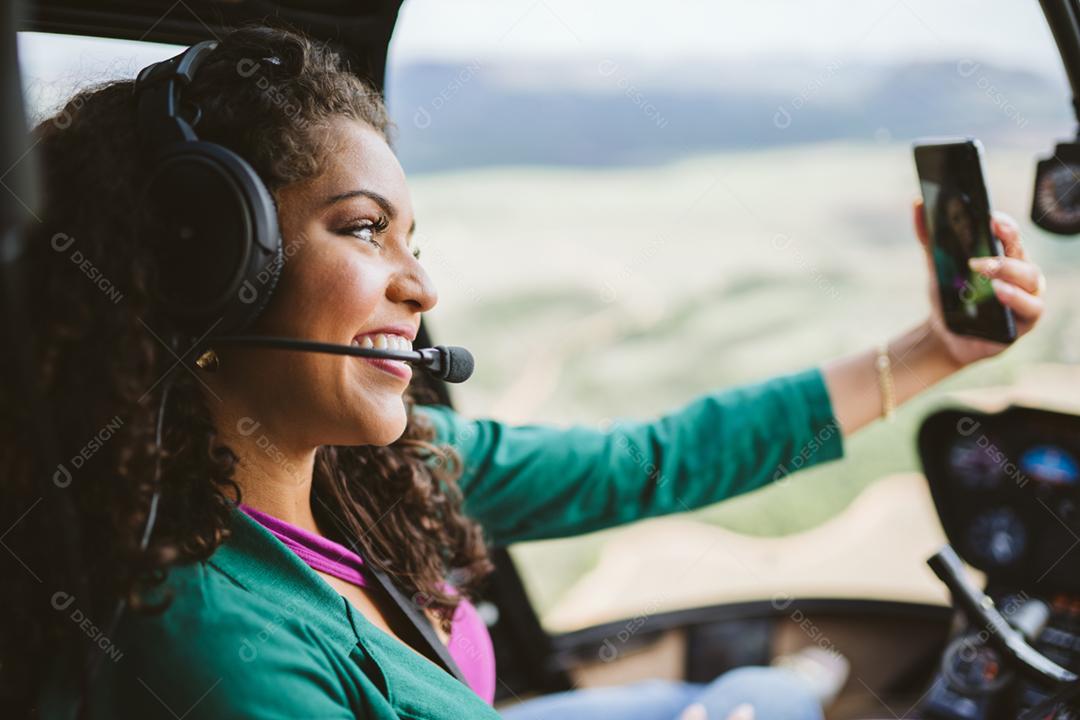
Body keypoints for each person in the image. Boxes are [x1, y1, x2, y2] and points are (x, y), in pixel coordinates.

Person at [3, 25, 1046, 720]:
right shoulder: (218, 651)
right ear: (211, 269)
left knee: (760, 697)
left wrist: (928, 352)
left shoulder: (383, 473)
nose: (420, 288)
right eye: (366, 231)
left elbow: (655, 461)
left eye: (416, 238)